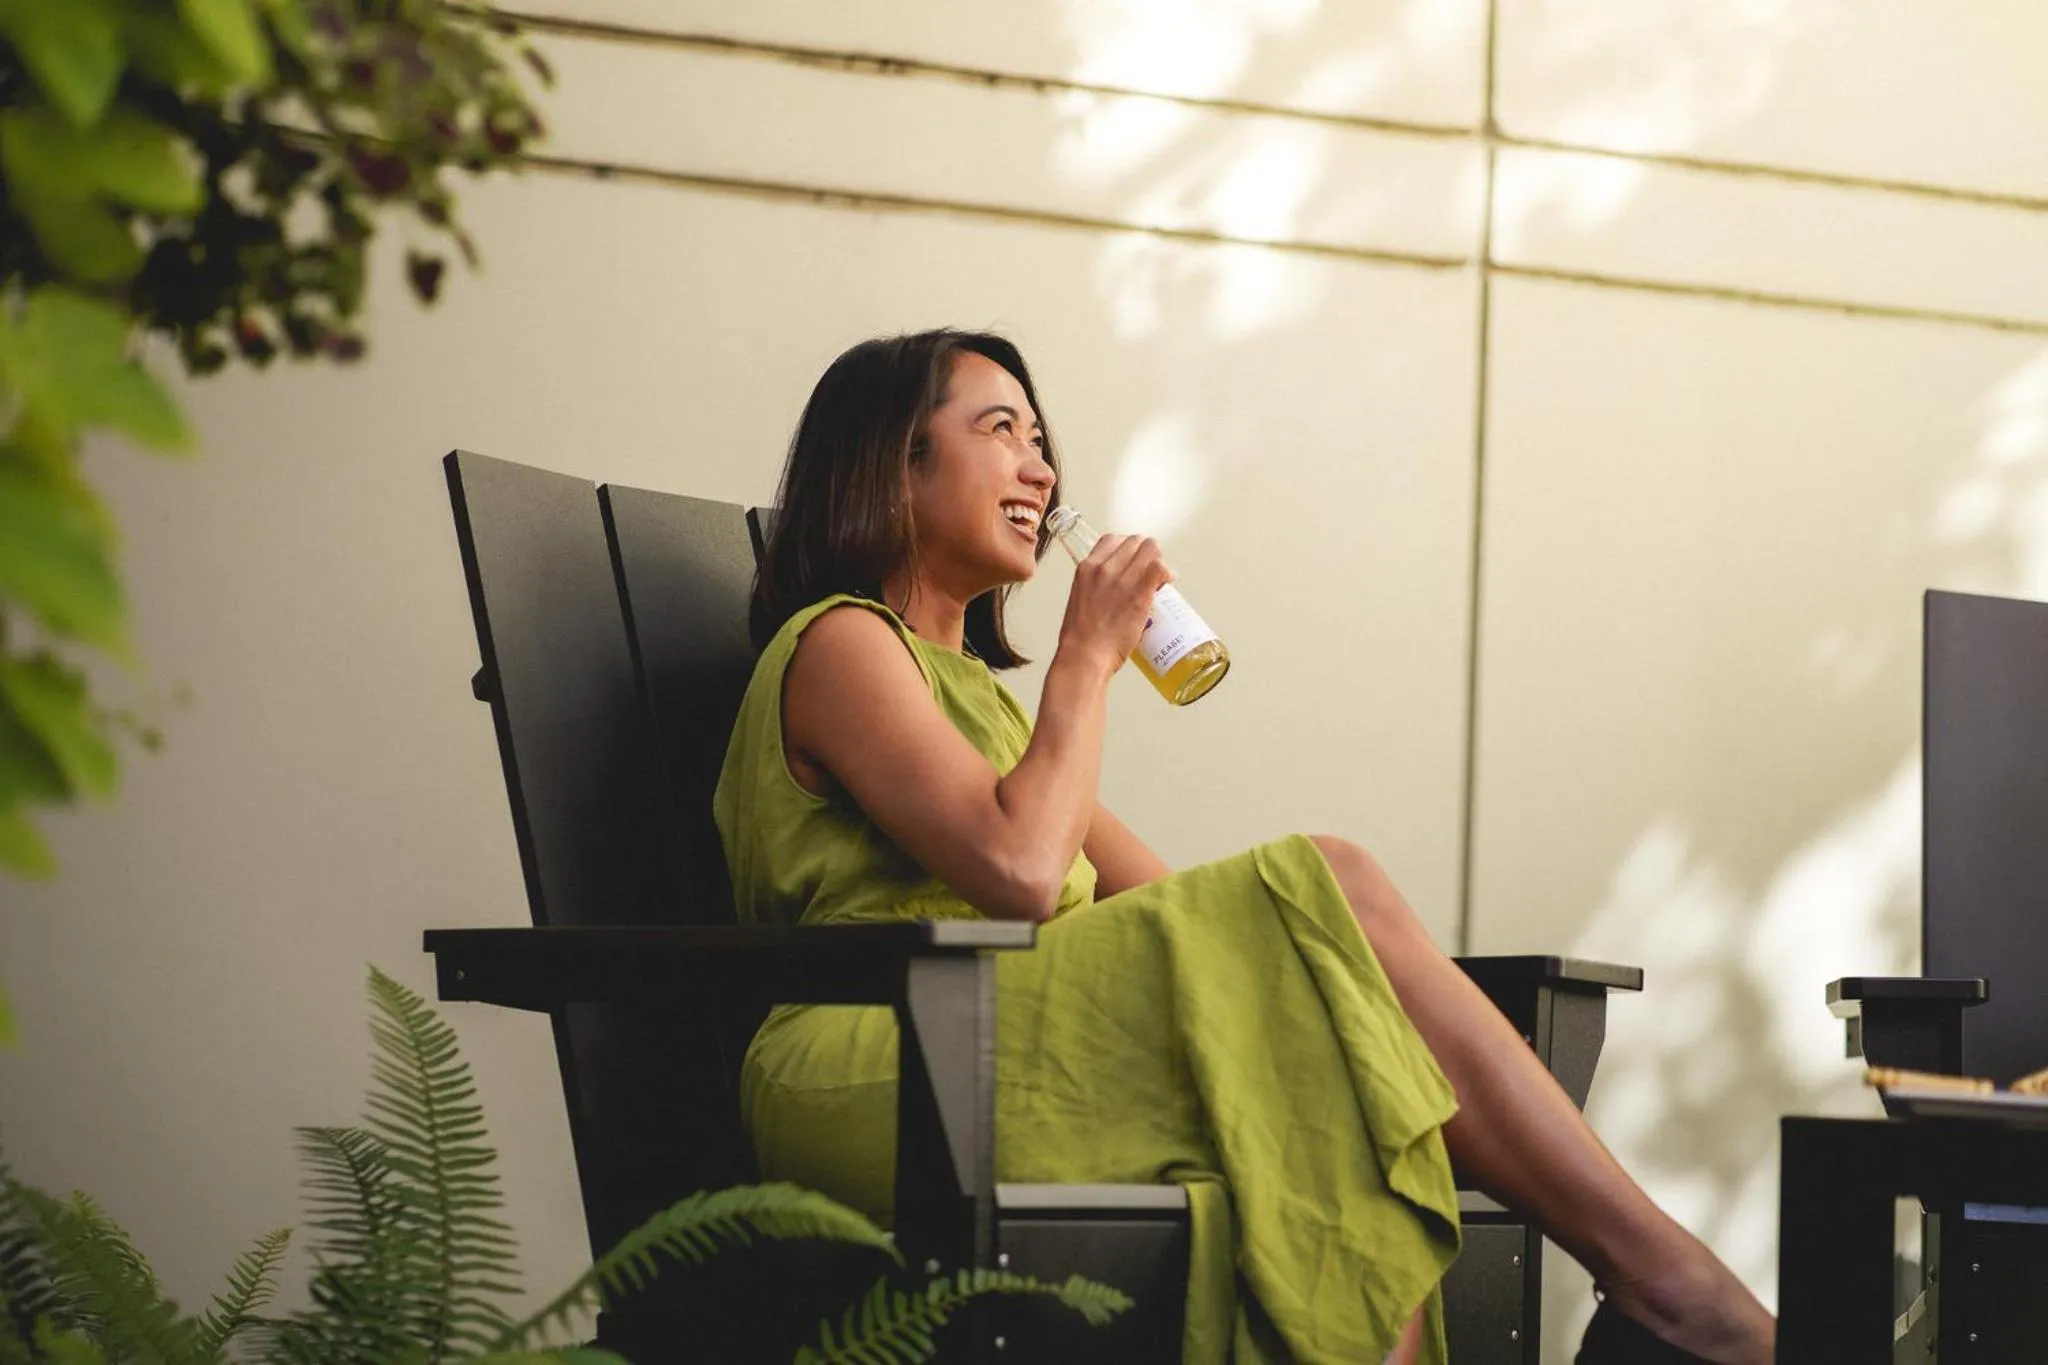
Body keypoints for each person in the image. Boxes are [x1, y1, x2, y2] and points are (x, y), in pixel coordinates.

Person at [712, 329, 1776, 1365]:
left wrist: (1312, 995)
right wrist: (1084, 659)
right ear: (890, 466)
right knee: (1331, 888)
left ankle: (1666, 1291)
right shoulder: (844, 644)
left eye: (1042, 440)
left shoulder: (980, 706)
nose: (1039, 468)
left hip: (1017, 1055)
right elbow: (1024, 874)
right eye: (1002, 430)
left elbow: (1205, 921)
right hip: (889, 1070)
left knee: (1323, 1092)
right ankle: (1672, 1289)